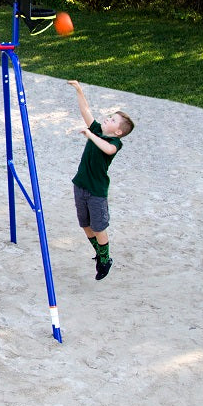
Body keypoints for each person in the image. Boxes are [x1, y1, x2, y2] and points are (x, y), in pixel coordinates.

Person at [68, 80, 135, 281]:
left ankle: (105, 260)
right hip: (80, 185)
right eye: (109, 117)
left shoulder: (114, 142)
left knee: (99, 228)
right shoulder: (97, 130)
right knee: (85, 226)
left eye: (112, 120)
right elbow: (85, 111)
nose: (107, 119)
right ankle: (100, 254)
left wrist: (89, 134)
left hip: (96, 191)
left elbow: (107, 150)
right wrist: (79, 91)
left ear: (118, 132)